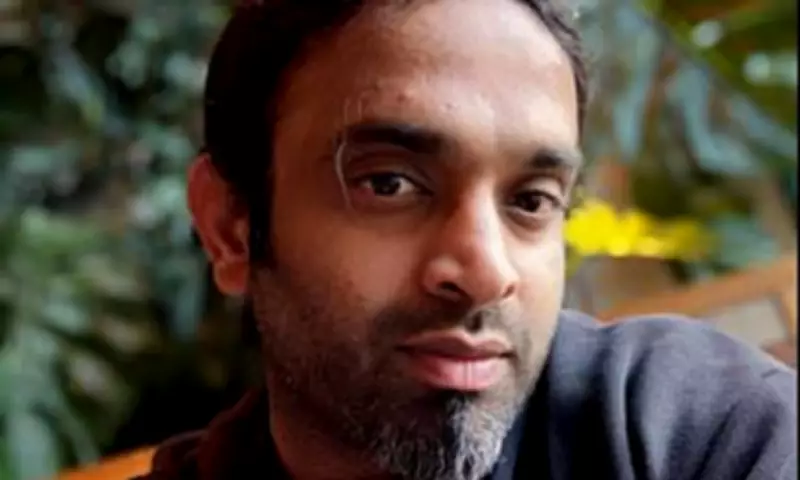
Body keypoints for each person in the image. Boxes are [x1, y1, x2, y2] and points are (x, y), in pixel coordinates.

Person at [138, 0, 797, 479]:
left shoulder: (700, 434)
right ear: (231, 228)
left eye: (531, 201)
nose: (487, 272)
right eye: (390, 184)